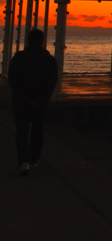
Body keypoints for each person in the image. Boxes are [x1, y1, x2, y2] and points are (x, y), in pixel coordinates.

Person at [7, 29, 58, 176]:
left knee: (22, 132)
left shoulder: (18, 58)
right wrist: (39, 99)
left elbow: (13, 81)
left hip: (21, 102)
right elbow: (51, 82)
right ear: (42, 41)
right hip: (40, 104)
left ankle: (24, 161)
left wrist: (26, 98)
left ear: (28, 40)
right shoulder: (49, 60)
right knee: (37, 131)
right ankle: (34, 158)